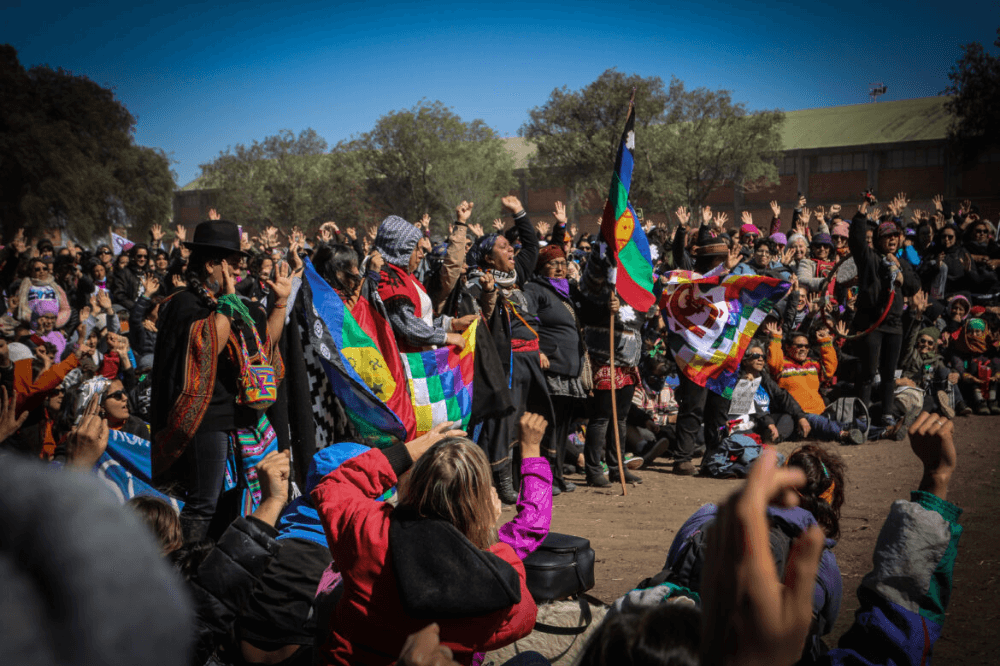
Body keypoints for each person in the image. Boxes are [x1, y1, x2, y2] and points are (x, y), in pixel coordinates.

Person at [311, 414, 549, 666]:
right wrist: (486, 530)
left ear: (412, 487)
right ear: (483, 506)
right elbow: (523, 620)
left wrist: (409, 451)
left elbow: (333, 488)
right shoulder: (500, 571)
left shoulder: (369, 532)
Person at [151, 218, 292, 543]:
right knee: (204, 502)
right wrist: (227, 304)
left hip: (245, 420)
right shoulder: (185, 303)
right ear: (212, 263)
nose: (238, 272)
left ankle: (221, 563)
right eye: (232, 264)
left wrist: (280, 303)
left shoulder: (236, 302)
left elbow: (263, 345)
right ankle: (185, 569)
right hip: (207, 422)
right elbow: (209, 344)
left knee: (237, 501)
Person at [524, 202, 587, 495]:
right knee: (547, 426)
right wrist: (537, 350)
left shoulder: (565, 292)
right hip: (551, 367)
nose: (561, 268)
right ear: (542, 268)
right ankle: (544, 480)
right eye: (554, 264)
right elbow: (527, 323)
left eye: (563, 263)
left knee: (563, 427)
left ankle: (559, 475)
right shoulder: (535, 290)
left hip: (569, 368)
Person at [848, 207, 919, 426]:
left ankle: (887, 414)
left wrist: (900, 269)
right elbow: (857, 242)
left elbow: (914, 286)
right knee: (868, 371)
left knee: (889, 373)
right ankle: (862, 415)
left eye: (895, 236)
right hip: (872, 323)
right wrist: (860, 217)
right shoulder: (870, 260)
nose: (892, 240)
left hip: (894, 324)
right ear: (878, 240)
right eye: (887, 236)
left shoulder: (900, 263)